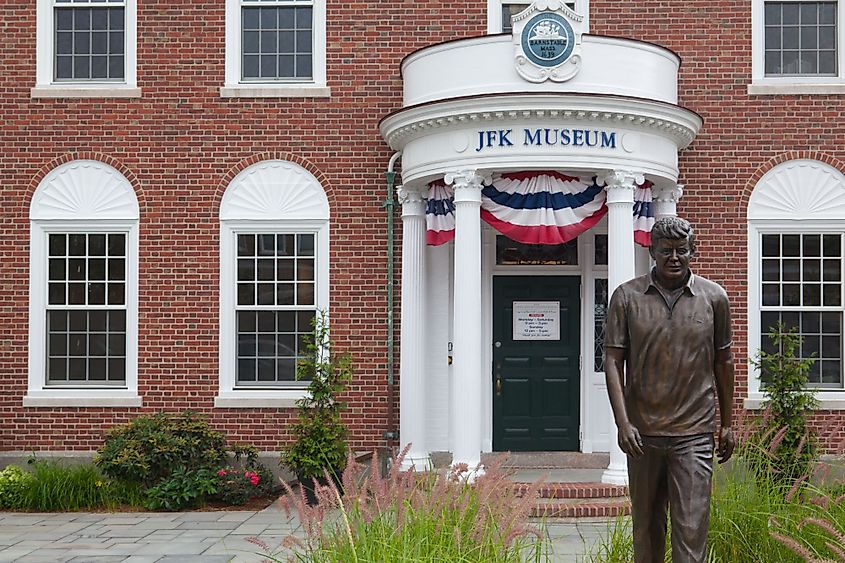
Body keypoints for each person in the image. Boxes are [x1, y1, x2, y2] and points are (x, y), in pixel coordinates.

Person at [603, 216, 735, 563]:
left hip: (693, 433)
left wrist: (728, 422)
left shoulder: (714, 298)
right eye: (666, 251)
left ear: (693, 251)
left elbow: (724, 363)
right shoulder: (626, 297)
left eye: (682, 250)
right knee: (646, 530)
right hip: (643, 434)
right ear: (652, 252)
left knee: (691, 530)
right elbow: (613, 362)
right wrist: (623, 422)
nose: (674, 258)